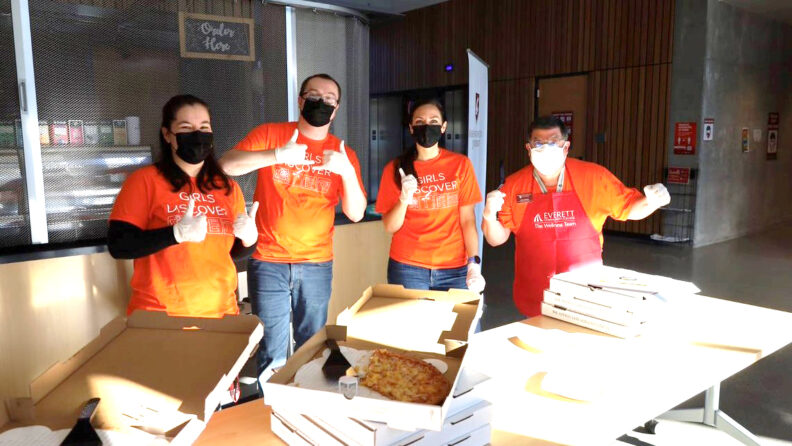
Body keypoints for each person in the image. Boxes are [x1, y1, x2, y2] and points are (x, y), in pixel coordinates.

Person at [219, 74, 367, 379]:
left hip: (316, 264)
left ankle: (304, 405)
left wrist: (347, 172)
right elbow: (226, 165)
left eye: (329, 99)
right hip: (268, 259)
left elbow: (355, 213)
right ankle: (268, 413)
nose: (321, 102)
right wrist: (274, 155)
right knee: (271, 348)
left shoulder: (343, 153)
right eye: (314, 95)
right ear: (300, 100)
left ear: (336, 109)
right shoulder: (272, 134)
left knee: (312, 346)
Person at [482, 116, 671, 317]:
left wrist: (652, 201)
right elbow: (496, 239)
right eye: (538, 143)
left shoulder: (594, 177)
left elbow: (629, 208)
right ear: (528, 148)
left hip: (585, 289)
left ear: (566, 147)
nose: (546, 148)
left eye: (554, 142)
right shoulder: (513, 186)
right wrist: (488, 216)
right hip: (535, 291)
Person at [108, 94, 258, 318]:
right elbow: (119, 245)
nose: (197, 135)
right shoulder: (145, 181)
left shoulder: (228, 187)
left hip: (222, 314)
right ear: (167, 134)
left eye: (204, 127)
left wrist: (250, 239)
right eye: (186, 128)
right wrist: (175, 234)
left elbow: (231, 253)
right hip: (161, 316)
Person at [375, 98, 485, 293]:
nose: (427, 127)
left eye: (434, 122)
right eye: (419, 122)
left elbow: (468, 220)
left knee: (459, 323)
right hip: (408, 267)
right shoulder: (395, 169)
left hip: (455, 268)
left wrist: (473, 262)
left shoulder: (460, 164)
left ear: (443, 127)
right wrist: (404, 200)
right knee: (415, 324)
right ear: (411, 128)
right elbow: (390, 226)